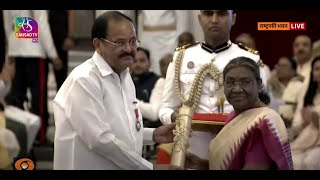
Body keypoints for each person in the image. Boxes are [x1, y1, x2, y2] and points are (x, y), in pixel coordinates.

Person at [53, 11, 175, 170]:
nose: (129, 49)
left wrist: (153, 135)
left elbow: (122, 129)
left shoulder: (125, 75)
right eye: (119, 42)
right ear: (98, 44)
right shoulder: (84, 79)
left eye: (132, 41)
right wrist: (149, 167)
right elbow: (100, 139)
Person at [159, 10, 269, 161]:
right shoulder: (181, 57)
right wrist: (177, 118)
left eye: (222, 14)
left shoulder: (251, 58)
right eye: (208, 13)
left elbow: (262, 110)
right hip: (192, 148)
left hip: (237, 146)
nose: (215, 19)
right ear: (199, 18)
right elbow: (165, 108)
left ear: (233, 18)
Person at [180, 57, 293, 170]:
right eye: (230, 82)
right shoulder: (233, 116)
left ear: (259, 84)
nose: (237, 89)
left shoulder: (262, 122)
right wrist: (201, 165)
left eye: (245, 82)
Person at [3, 10, 63, 145]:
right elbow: (41, 24)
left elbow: (8, 25)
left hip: (16, 51)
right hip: (35, 52)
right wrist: (53, 55)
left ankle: (18, 137)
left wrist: (11, 49)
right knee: (38, 98)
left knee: (17, 97)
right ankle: (39, 137)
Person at [289, 55, 320, 170]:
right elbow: (296, 125)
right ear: (312, 74)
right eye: (317, 69)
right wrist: (305, 124)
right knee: (292, 160)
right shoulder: (307, 95)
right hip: (305, 139)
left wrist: (317, 123)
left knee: (311, 161)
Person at [137, 10, 190, 75]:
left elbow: (182, 21)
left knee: (169, 69)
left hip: (169, 40)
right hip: (147, 39)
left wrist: (179, 43)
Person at [48, 10, 76, 91]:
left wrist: (70, 36)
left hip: (59, 34)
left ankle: (61, 101)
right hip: (39, 36)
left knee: (61, 76)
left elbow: (71, 12)